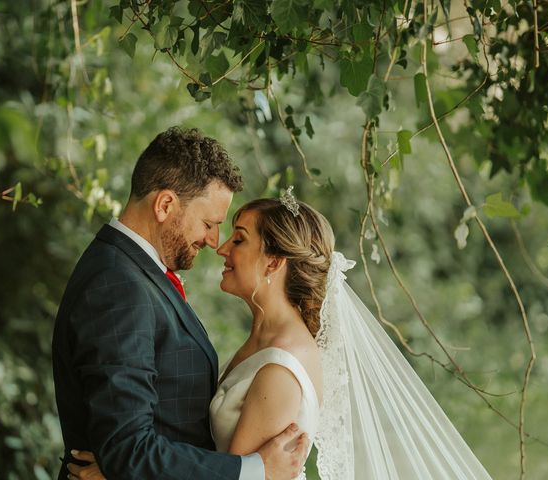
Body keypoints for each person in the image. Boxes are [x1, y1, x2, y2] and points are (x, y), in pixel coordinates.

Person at [69, 187, 493, 480]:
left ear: (274, 263)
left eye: (239, 239)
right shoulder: (261, 344)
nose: (221, 248)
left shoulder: (280, 369)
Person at [52, 127, 309, 480]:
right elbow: (128, 449)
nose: (213, 240)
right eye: (208, 223)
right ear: (165, 205)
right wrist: (254, 470)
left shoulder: (134, 273)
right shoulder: (117, 284)